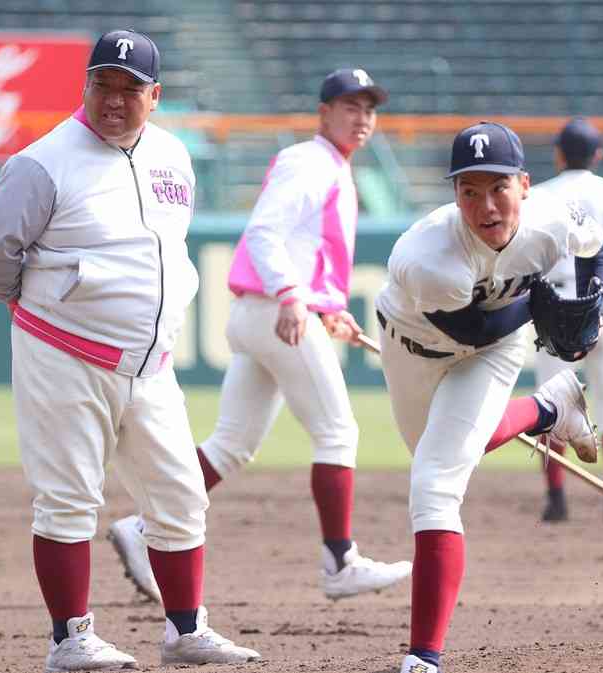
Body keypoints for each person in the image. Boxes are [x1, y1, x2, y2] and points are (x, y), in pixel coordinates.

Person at [0, 29, 260, 672]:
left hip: (150, 363)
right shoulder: (44, 162)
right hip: (63, 352)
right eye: (103, 84)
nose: (114, 99)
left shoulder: (172, 156)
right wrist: (39, 306)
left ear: (154, 96)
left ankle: (186, 632)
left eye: (130, 88)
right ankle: (70, 640)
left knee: (181, 496)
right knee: (69, 497)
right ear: (86, 86)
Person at [108, 67, 412, 605]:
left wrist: (328, 308)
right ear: (324, 113)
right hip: (275, 311)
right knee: (338, 432)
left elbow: (305, 251)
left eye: (369, 108)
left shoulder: (331, 167)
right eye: (350, 106)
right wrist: (295, 299)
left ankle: (141, 527)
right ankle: (340, 561)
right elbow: (266, 233)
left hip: (264, 312)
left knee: (230, 445)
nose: (361, 117)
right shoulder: (309, 162)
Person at [374, 121, 603, 673]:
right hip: (414, 346)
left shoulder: (553, 219)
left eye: (499, 187)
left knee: (434, 485)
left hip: (495, 351)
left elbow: (594, 245)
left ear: (525, 185)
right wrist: (537, 301)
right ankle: (550, 407)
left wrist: (596, 302)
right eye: (469, 190)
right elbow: (466, 330)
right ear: (454, 194)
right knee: (438, 452)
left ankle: (424, 657)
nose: (486, 205)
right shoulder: (429, 256)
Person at [531, 117, 603, 523]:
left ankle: (556, 499)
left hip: (554, 310)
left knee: (551, 404)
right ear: (598, 154)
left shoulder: (537, 196)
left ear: (558, 154)